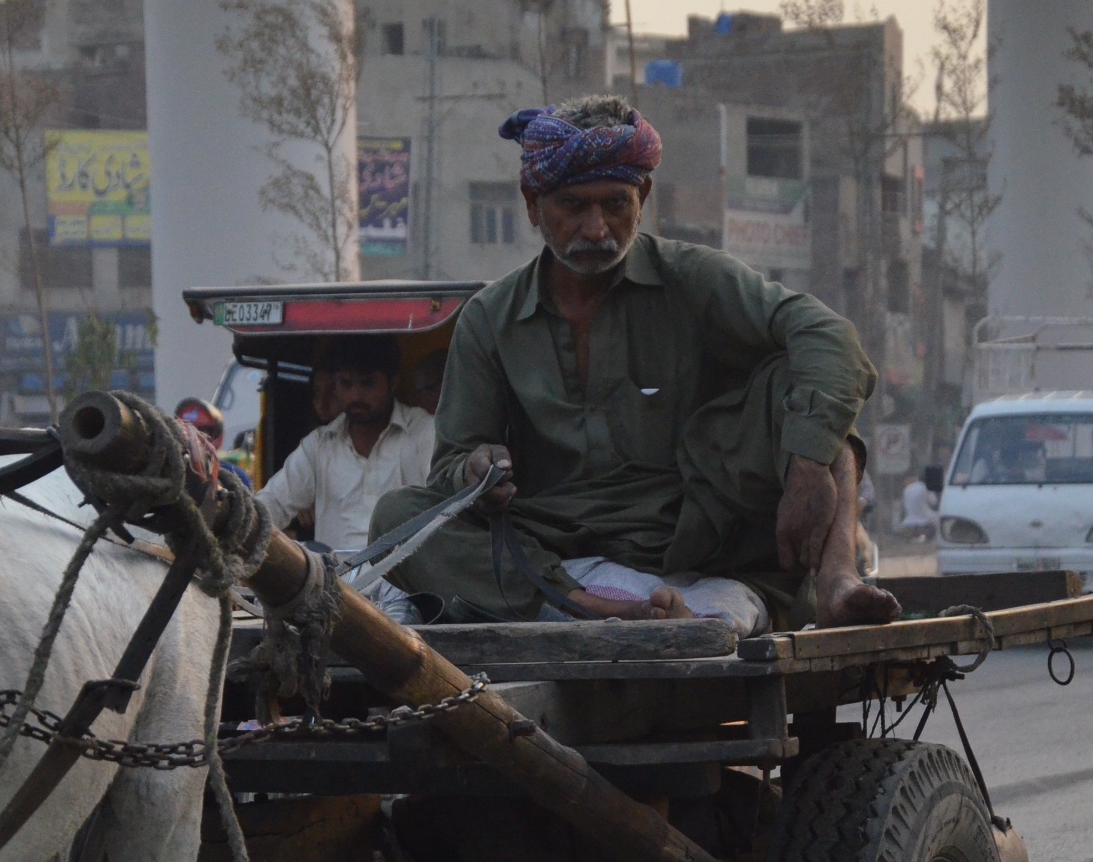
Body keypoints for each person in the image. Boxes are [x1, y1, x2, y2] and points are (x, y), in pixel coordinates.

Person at [368, 95, 900, 634]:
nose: (597, 229)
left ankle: (838, 581)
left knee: (809, 386)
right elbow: (452, 464)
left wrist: (808, 467)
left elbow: (831, 337)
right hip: (555, 537)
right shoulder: (489, 319)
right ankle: (609, 610)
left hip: (699, 525)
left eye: (615, 204)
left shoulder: (691, 278)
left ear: (642, 196)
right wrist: (475, 470)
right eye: (573, 206)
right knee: (397, 517)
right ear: (533, 204)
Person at [256, 334, 436, 553]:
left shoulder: (423, 432)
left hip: (408, 582)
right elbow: (272, 502)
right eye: (345, 384)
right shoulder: (319, 445)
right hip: (337, 583)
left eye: (367, 383)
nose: (355, 395)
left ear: (392, 383)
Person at [176, 396, 252, 488]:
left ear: (217, 437)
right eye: (185, 431)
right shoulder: (165, 473)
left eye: (202, 431)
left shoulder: (235, 476)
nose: (193, 438)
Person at [899, 474, 940, 540]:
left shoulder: (908, 488)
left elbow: (903, 503)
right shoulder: (926, 487)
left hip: (909, 517)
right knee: (938, 518)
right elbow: (933, 501)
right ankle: (937, 540)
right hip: (923, 516)